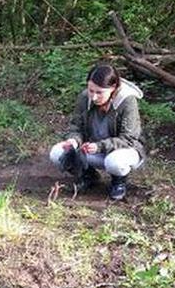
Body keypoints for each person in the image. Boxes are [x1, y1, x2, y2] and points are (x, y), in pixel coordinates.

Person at [49, 62, 145, 201]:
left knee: (115, 162)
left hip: (124, 150)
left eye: (99, 92)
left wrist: (100, 146)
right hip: (93, 149)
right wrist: (73, 140)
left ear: (113, 88)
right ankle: (89, 176)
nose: (93, 97)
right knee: (57, 153)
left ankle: (118, 182)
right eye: (91, 90)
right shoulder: (84, 97)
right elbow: (76, 127)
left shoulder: (127, 101)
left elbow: (129, 138)